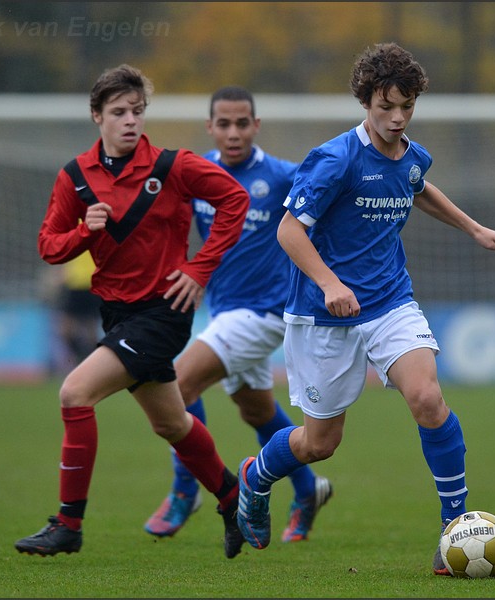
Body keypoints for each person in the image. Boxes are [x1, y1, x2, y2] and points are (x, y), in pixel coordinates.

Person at [232, 42, 495, 575]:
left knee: (428, 399)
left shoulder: (411, 154)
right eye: (386, 106)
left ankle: (453, 530)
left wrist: (476, 229)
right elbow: (289, 231)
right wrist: (330, 283)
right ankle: (255, 476)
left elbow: (418, 186)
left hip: (389, 300)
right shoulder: (335, 159)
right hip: (323, 312)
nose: (397, 117)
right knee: (320, 444)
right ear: (366, 101)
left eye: (406, 106)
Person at [14, 64, 251, 559]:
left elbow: (235, 198)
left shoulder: (173, 165)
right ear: (96, 116)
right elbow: (48, 245)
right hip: (116, 315)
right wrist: (85, 231)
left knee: (74, 393)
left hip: (164, 313)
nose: (130, 121)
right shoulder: (76, 178)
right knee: (172, 424)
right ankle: (233, 497)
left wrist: (200, 268)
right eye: (118, 112)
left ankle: (68, 525)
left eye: (137, 112)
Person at [144, 86, 333, 542]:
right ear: (210, 127)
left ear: (256, 126)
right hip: (224, 312)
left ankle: (185, 490)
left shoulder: (283, 176)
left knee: (177, 382)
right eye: (224, 124)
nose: (234, 132)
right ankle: (309, 490)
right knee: (255, 411)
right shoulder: (198, 173)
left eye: (242, 123)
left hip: (265, 311)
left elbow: (324, 205)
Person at [49, 250, 101, 376]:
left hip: (92, 284)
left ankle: (93, 364)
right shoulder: (72, 235)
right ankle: (78, 359)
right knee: (64, 330)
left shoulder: (99, 232)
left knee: (91, 330)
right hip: (73, 286)